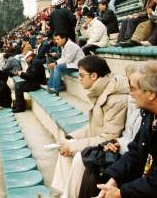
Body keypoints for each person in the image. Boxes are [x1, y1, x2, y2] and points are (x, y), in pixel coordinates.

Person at [51, 55, 129, 197]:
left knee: (79, 156)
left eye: (81, 75)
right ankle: (64, 193)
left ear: (94, 76)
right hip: (102, 140)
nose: (79, 78)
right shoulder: (101, 90)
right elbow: (94, 127)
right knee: (65, 149)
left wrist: (74, 146)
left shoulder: (115, 98)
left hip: (114, 147)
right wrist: (71, 138)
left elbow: (110, 137)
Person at [97, 61, 157, 198]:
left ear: (151, 93)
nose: (130, 92)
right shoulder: (151, 114)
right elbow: (135, 152)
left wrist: (122, 193)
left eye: (132, 88)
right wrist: (114, 179)